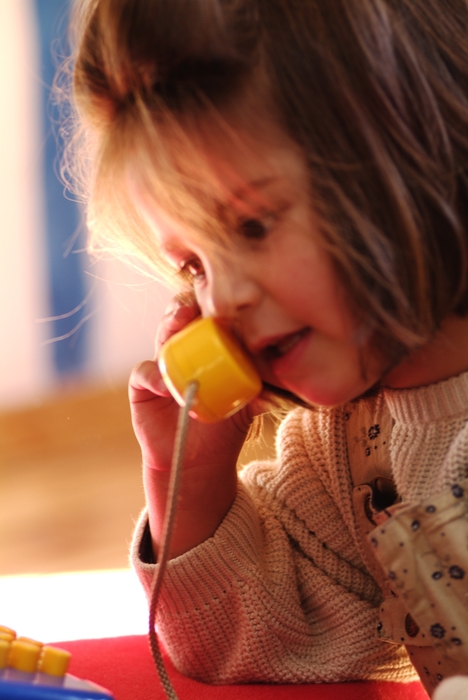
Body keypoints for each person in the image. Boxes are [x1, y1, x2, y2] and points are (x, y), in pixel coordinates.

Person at [68, 0, 468, 696]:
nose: (223, 301)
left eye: (252, 225)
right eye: (194, 264)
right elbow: (256, 640)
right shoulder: (350, 456)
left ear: (408, 153)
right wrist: (186, 478)